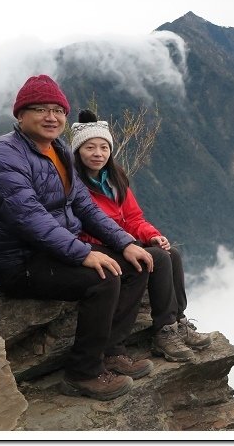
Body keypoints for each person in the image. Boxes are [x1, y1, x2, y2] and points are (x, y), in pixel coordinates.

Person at [0, 75, 156, 401]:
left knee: (140, 262)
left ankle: (111, 352)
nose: (51, 117)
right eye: (40, 109)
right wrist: (82, 253)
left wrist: (125, 242)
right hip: (21, 261)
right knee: (101, 279)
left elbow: (86, 207)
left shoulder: (58, 149)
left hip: (56, 250)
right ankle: (82, 374)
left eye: (58, 110)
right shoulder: (4, 155)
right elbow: (29, 217)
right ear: (20, 115)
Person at [70, 109, 212, 363]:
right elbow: (83, 226)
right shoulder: (75, 185)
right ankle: (164, 331)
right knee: (156, 258)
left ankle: (178, 322)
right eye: (90, 147)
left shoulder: (115, 179)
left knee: (171, 253)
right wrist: (128, 243)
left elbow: (133, 218)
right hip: (95, 244)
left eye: (104, 147)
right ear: (78, 151)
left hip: (120, 239)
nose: (98, 153)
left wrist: (152, 235)